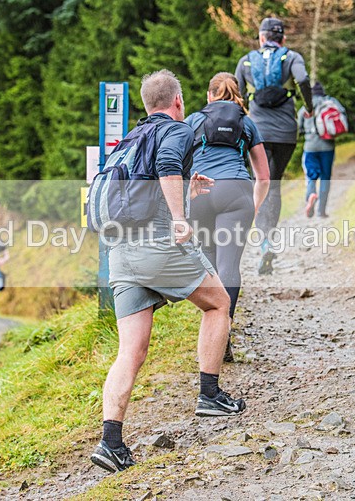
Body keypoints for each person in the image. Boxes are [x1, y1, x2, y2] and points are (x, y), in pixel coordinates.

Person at [90, 69, 246, 474]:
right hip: (156, 246)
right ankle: (210, 395)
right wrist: (180, 217)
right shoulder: (175, 129)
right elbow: (166, 165)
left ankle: (111, 443)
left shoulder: (130, 138)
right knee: (219, 304)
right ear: (178, 101)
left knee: (131, 350)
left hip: (119, 254)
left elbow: (149, 180)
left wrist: (184, 193)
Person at [187, 72, 270, 361]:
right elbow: (264, 177)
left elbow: (177, 163)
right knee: (229, 265)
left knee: (209, 266)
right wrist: (254, 206)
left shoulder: (194, 121)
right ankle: (224, 334)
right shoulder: (247, 123)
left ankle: (213, 333)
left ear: (209, 95)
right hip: (236, 193)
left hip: (200, 193)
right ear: (238, 95)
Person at [235, 17, 314, 274]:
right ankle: (270, 237)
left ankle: (265, 241)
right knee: (274, 182)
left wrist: (245, 111)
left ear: (261, 38)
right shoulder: (292, 57)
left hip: (257, 130)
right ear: (283, 39)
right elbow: (302, 79)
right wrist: (309, 108)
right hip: (285, 132)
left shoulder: (246, 60)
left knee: (260, 182)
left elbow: (238, 94)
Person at [298, 82, 347, 218]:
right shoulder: (331, 102)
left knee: (311, 177)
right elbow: (342, 115)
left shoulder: (306, 107)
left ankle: (311, 195)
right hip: (328, 147)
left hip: (310, 148)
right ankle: (322, 211)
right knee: (325, 178)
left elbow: (298, 127)